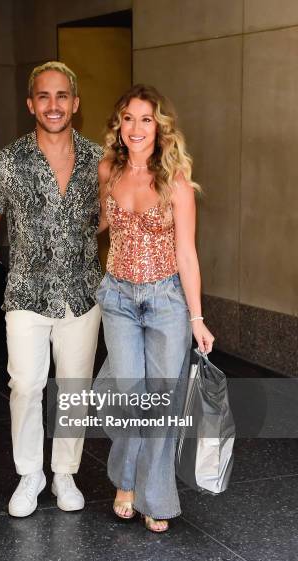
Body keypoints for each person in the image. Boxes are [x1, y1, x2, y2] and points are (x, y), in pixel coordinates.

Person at [0, 62, 102, 517]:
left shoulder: (100, 160)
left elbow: (112, 216)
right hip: (24, 292)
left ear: (75, 104)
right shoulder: (8, 161)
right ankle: (30, 474)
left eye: (62, 96)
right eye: (44, 96)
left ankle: (64, 474)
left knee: (75, 388)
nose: (54, 105)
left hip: (83, 293)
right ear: (31, 105)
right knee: (25, 384)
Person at [96, 84, 215, 533]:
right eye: (128, 118)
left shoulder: (176, 181)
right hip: (119, 298)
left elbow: (187, 253)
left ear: (159, 127)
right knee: (130, 396)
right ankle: (125, 478)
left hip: (166, 300)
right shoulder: (108, 170)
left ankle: (153, 495)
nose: (136, 128)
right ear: (119, 125)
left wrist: (196, 317)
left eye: (146, 119)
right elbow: (98, 224)